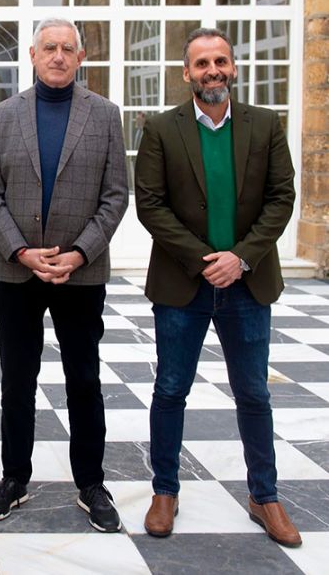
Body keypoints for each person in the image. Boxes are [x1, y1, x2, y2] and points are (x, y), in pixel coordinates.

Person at [135, 28, 300, 547]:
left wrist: (242, 258)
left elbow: (281, 196)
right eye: (202, 63)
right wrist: (205, 260)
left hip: (248, 285)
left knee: (253, 394)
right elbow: (150, 203)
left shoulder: (266, 125)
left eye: (221, 61)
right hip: (182, 284)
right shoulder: (162, 128)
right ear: (186, 73)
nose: (213, 71)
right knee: (170, 390)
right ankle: (165, 491)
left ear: (233, 68)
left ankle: (264, 497)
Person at [0, 17, 128, 532]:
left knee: (83, 380)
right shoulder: (3, 115)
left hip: (79, 273)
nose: (59, 56)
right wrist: (20, 250)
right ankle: (14, 478)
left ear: (80, 58)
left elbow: (115, 197)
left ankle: (91, 482)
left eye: (68, 48)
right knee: (17, 381)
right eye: (49, 48)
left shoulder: (106, 116)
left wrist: (80, 253)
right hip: (17, 271)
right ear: (33, 55)